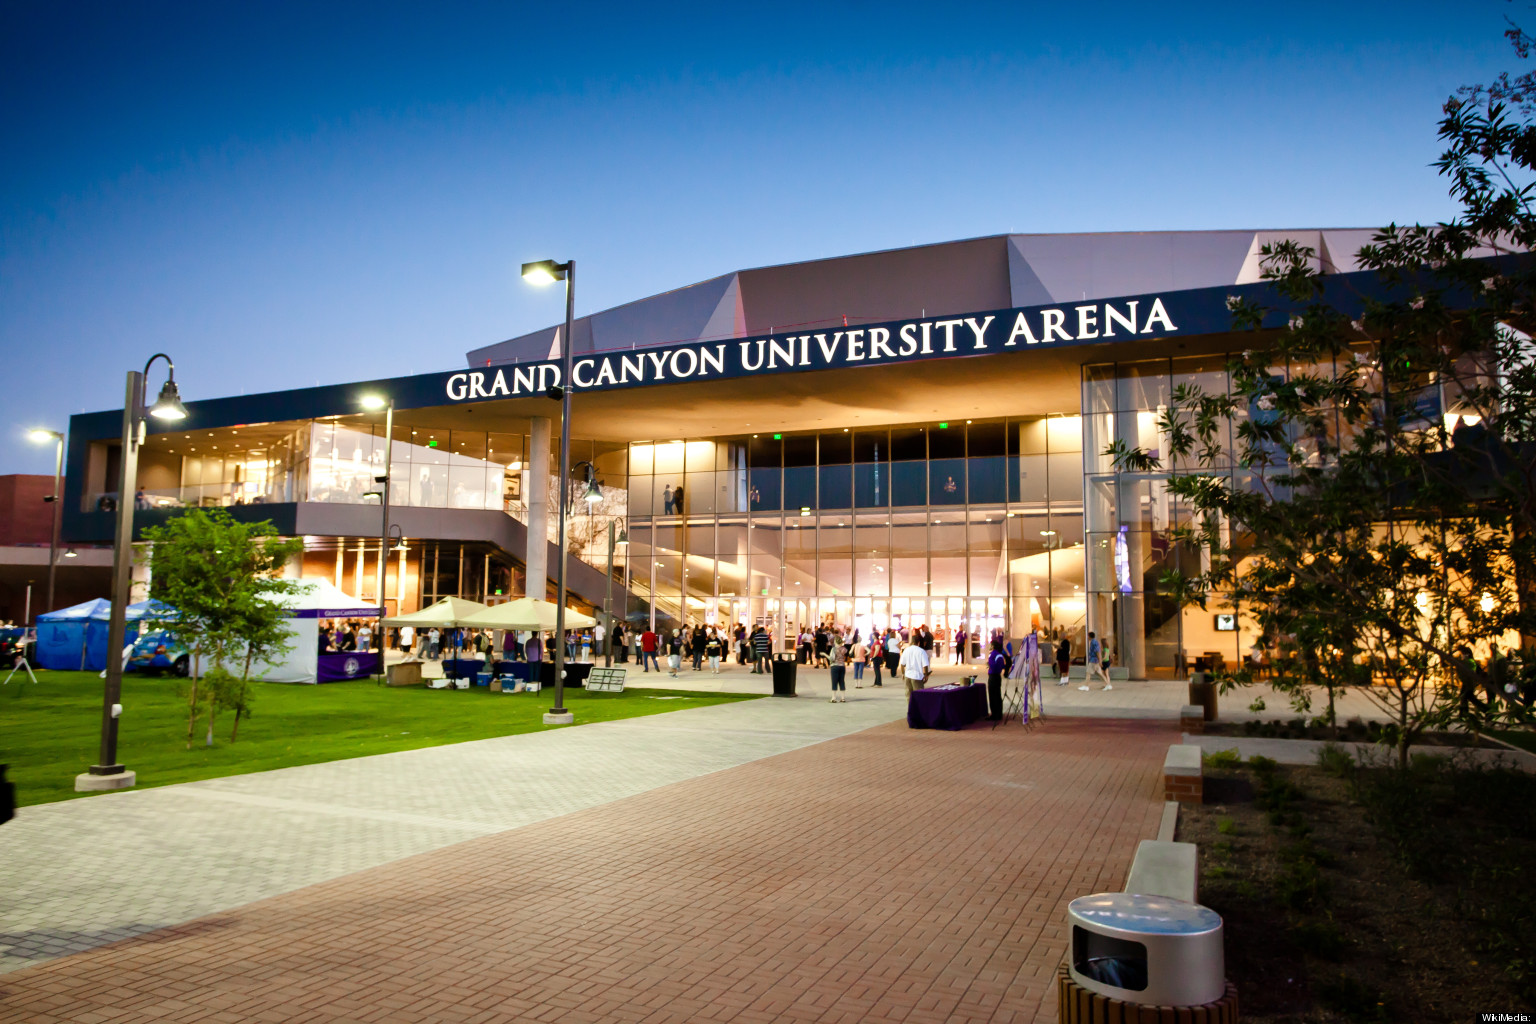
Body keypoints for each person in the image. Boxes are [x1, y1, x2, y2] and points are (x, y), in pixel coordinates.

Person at [986, 638, 1009, 721]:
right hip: (998, 677)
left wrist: (989, 664)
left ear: (993, 646)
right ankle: (999, 713)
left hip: (993, 676)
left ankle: (994, 714)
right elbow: (1002, 666)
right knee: (997, 695)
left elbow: (993, 666)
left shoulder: (993, 654)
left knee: (992, 696)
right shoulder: (1000, 655)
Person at [828, 629, 847, 702]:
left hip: (835, 666)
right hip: (842, 666)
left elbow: (832, 658)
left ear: (835, 641)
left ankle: (833, 698)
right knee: (842, 681)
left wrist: (827, 657)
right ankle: (843, 698)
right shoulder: (844, 649)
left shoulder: (833, 649)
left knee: (834, 682)